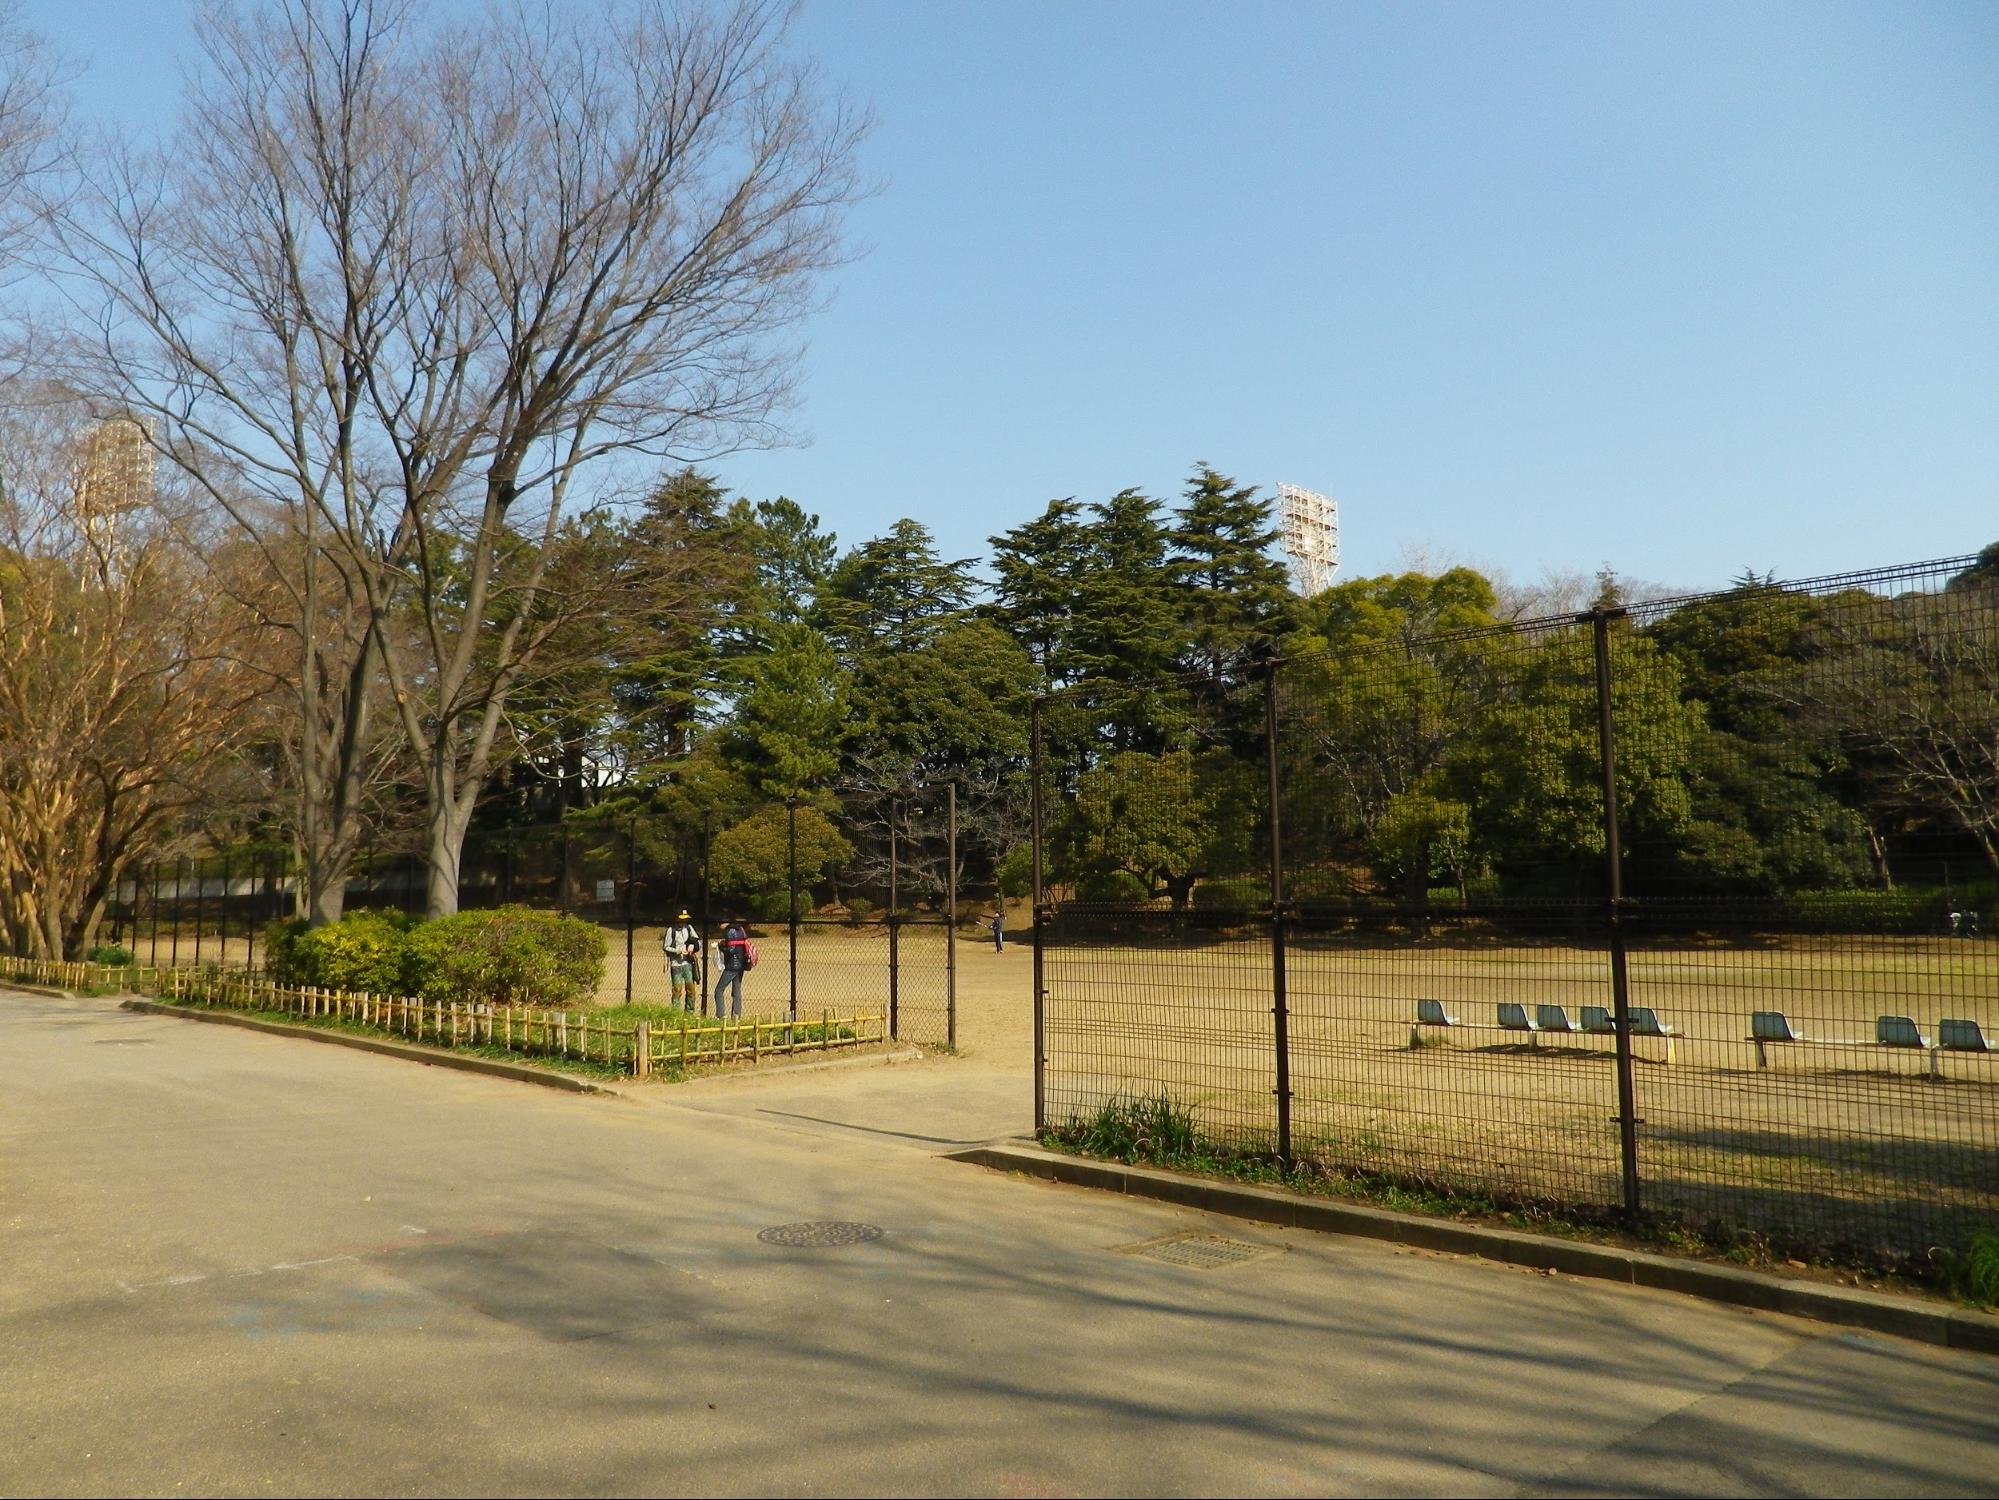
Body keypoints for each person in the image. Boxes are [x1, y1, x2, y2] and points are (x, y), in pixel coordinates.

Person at [663, 909, 702, 1010]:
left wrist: (693, 946)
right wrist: (678, 951)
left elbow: (698, 941)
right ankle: (675, 1013)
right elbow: (666, 947)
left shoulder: (689, 928)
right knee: (677, 990)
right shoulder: (671, 930)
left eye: (685, 920)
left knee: (690, 989)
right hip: (676, 965)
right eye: (681, 919)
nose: (683, 922)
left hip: (688, 964)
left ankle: (689, 1012)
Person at [714, 915, 750, 1019]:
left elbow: (730, 950)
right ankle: (736, 1016)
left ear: (723, 923)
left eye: (719, 924)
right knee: (736, 991)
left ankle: (720, 1016)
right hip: (741, 964)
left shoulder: (729, 931)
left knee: (719, 990)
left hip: (732, 965)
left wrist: (720, 946)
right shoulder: (741, 930)